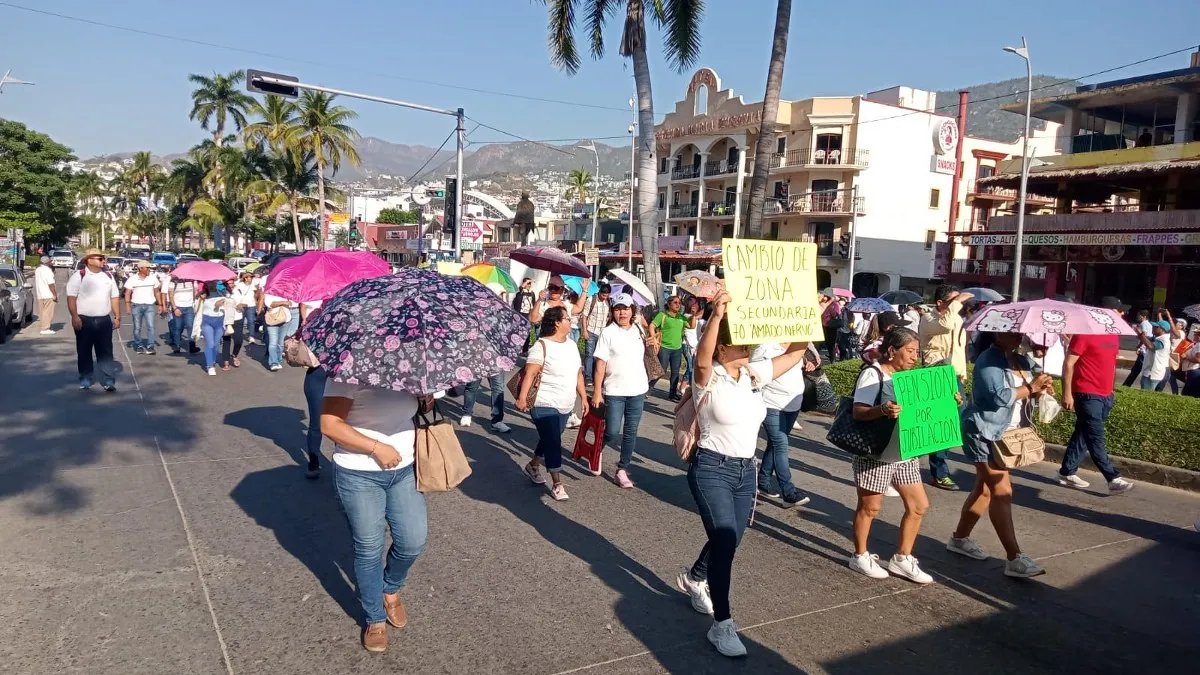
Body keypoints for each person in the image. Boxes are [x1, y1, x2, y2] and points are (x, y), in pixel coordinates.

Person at [674, 290, 808, 658]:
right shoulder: (709, 376)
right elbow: (701, 357)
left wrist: (807, 315)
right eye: (740, 343)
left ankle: (695, 577)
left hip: (745, 472)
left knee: (731, 540)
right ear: (722, 348)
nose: (749, 347)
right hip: (711, 469)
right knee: (723, 541)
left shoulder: (752, 375)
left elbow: (795, 352)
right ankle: (723, 625)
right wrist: (716, 317)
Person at [321, 379, 430, 653]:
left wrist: (425, 398)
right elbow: (329, 424)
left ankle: (389, 587)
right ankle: (375, 617)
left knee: (413, 539)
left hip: (405, 468)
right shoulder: (347, 372)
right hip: (358, 473)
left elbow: (408, 411)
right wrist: (376, 448)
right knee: (370, 547)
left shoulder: (408, 368)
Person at [949, 331, 1055, 578]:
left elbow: (1031, 391)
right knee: (1001, 491)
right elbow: (1000, 396)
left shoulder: (1019, 359)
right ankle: (1014, 558)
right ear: (997, 332)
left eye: (1020, 332)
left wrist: (1041, 387)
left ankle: (959, 538)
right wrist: (1031, 386)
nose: (1019, 336)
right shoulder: (988, 361)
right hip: (983, 432)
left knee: (984, 489)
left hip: (1006, 434)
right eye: (1013, 332)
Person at [845, 328, 935, 584]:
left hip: (905, 452)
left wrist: (948, 401)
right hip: (876, 453)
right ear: (892, 350)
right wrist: (882, 410)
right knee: (870, 507)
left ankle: (902, 558)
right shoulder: (872, 375)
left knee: (919, 505)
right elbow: (858, 412)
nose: (914, 357)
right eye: (909, 351)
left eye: (916, 352)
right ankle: (860, 555)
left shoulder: (911, 379)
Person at [517, 306, 587, 501]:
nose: (570, 320)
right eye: (566, 318)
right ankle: (557, 483)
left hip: (565, 403)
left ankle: (533, 465)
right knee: (554, 441)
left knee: (550, 438)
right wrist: (522, 398)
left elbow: (578, 373)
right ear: (557, 322)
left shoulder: (572, 345)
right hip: (543, 402)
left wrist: (584, 397)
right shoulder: (541, 346)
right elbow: (530, 373)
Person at [1059, 331, 1136, 493]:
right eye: (1118, 310)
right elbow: (1068, 363)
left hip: (1106, 396)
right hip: (1086, 394)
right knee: (1095, 436)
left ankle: (1067, 471)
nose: (1121, 314)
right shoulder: (1084, 335)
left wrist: (1111, 391)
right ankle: (1112, 478)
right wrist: (1066, 392)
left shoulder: (1114, 336)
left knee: (1083, 432)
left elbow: (1111, 364)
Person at [918, 284, 974, 491]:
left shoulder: (956, 318)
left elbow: (960, 349)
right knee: (940, 425)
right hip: (935, 375)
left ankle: (930, 463)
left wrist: (962, 374)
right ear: (941, 303)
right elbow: (945, 326)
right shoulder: (929, 318)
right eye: (953, 301)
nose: (958, 305)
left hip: (954, 376)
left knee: (954, 423)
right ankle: (938, 472)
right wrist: (957, 303)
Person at [590, 293, 649, 488]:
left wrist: (652, 343)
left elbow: (645, 355)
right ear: (613, 311)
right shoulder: (608, 333)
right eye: (618, 309)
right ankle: (598, 449)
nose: (622, 312)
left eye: (626, 308)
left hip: (638, 389)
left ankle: (622, 469)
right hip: (614, 390)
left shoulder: (638, 329)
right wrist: (597, 391)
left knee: (631, 432)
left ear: (632, 310)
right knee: (613, 431)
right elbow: (600, 364)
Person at [752, 339, 812, 508]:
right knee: (780, 444)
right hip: (771, 404)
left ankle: (762, 482)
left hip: (792, 405)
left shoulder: (798, 345)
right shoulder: (765, 346)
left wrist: (808, 363)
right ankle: (788, 491)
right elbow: (755, 375)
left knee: (776, 443)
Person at [65, 249, 120, 391]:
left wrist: (117, 316)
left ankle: (108, 380)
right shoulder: (79, 276)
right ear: (89, 260)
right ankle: (85, 378)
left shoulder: (108, 276)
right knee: (84, 350)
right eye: (100, 258)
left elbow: (114, 298)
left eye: (103, 258)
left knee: (106, 351)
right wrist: (74, 316)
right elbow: (71, 298)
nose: (103, 261)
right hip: (84, 320)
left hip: (103, 320)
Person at [299, 299, 327, 478]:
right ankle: (314, 460)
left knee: (347, 423)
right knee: (316, 422)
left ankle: (345, 468)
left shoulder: (354, 318)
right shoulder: (314, 317)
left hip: (344, 379)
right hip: (317, 375)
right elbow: (300, 340)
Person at [650, 295, 690, 402]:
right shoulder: (662, 315)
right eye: (675, 303)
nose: (678, 305)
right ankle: (648, 387)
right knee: (661, 370)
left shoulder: (681, 317)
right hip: (664, 347)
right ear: (669, 304)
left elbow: (691, 325)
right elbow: (652, 325)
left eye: (679, 303)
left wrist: (695, 314)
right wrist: (654, 339)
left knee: (675, 372)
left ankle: (672, 394)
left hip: (677, 348)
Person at [124, 260, 162, 355]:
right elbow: (127, 293)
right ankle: (139, 345)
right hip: (137, 306)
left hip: (150, 305)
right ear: (141, 269)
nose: (149, 269)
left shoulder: (153, 278)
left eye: (149, 268)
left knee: (151, 327)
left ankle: (150, 346)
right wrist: (127, 305)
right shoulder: (132, 279)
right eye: (147, 268)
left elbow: (157, 292)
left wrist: (160, 304)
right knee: (137, 327)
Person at [580, 282, 612, 384]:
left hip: (602, 333)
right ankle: (588, 377)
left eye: (607, 296)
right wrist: (585, 331)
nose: (605, 297)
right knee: (589, 354)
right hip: (591, 331)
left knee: (599, 356)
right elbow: (584, 316)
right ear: (600, 292)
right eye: (603, 295)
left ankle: (596, 376)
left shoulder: (608, 302)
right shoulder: (591, 300)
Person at [263, 288, 300, 372]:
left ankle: (278, 360)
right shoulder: (269, 292)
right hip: (273, 320)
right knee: (273, 342)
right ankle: (273, 363)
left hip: (285, 319)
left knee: (280, 343)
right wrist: (283, 302)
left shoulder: (287, 291)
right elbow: (269, 304)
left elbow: (293, 303)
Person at [198, 282, 227, 376]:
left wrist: (223, 302)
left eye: (213, 283)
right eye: (209, 284)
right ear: (206, 285)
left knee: (216, 344)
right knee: (210, 343)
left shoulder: (222, 293)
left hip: (219, 320)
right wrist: (199, 298)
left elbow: (230, 303)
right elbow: (196, 308)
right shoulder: (203, 295)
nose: (211, 285)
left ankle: (213, 360)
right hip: (207, 320)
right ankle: (210, 366)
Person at [1135, 319, 1172, 391]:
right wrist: (1140, 335)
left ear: (1162, 329)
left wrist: (1141, 334)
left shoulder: (1163, 340)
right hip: (1152, 373)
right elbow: (1146, 339)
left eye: (1156, 327)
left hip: (1152, 374)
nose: (1153, 328)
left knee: (1146, 396)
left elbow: (1151, 346)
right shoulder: (1157, 338)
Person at [166, 275, 199, 354]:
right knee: (178, 327)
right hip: (178, 307)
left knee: (190, 326)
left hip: (189, 307)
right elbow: (171, 296)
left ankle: (192, 345)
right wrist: (175, 308)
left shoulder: (192, 280)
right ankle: (177, 345)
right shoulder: (173, 282)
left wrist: (196, 303)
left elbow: (196, 293)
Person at [681, 296, 704, 396]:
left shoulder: (699, 316)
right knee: (691, 368)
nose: (693, 305)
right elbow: (692, 324)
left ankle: (682, 387)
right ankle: (690, 389)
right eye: (691, 302)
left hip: (696, 345)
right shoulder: (686, 316)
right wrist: (694, 314)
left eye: (696, 303)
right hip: (688, 345)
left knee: (692, 367)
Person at [1122, 310, 1152, 386]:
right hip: (1145, 349)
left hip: (1143, 350)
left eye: (1139, 315)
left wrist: (1139, 346)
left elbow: (1144, 335)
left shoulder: (1143, 324)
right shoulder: (1149, 324)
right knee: (1137, 369)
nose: (1138, 317)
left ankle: (1127, 385)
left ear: (1144, 317)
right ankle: (1127, 384)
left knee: (1136, 369)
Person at [34, 255, 57, 335]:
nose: (51, 262)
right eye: (50, 261)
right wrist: (54, 295)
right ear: (47, 262)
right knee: (48, 312)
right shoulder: (47, 271)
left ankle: (43, 326)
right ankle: (45, 328)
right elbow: (51, 284)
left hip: (40, 294)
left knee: (42, 312)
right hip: (48, 294)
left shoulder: (38, 270)